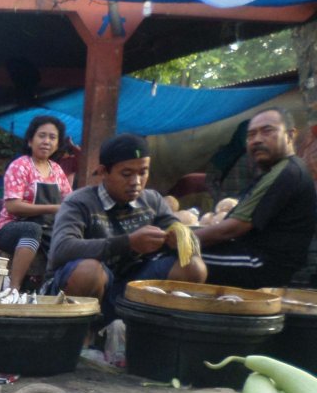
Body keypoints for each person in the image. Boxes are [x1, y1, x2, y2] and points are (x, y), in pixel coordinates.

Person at [46, 133, 206, 322]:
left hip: (132, 285)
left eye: (143, 172)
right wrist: (128, 243)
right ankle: (84, 336)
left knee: (193, 266)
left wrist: (179, 241)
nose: (136, 182)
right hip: (86, 288)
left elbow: (190, 242)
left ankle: (147, 328)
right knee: (89, 271)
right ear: (104, 172)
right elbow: (61, 249)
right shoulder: (80, 202)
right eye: (126, 174)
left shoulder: (152, 201)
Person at [194, 108, 317, 289]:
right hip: (257, 257)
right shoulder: (279, 170)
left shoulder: (288, 172)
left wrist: (184, 240)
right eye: (251, 135)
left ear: (290, 135)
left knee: (177, 259)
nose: (257, 139)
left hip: (263, 264)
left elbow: (233, 229)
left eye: (267, 131)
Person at [0, 115, 75, 291]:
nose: (46, 141)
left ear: (58, 144)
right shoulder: (20, 166)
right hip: (12, 228)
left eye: (52, 137)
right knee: (32, 229)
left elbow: (69, 201)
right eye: (41, 135)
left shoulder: (57, 170)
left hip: (47, 231)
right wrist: (54, 208)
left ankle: (51, 290)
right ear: (30, 141)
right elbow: (13, 206)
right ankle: (13, 288)